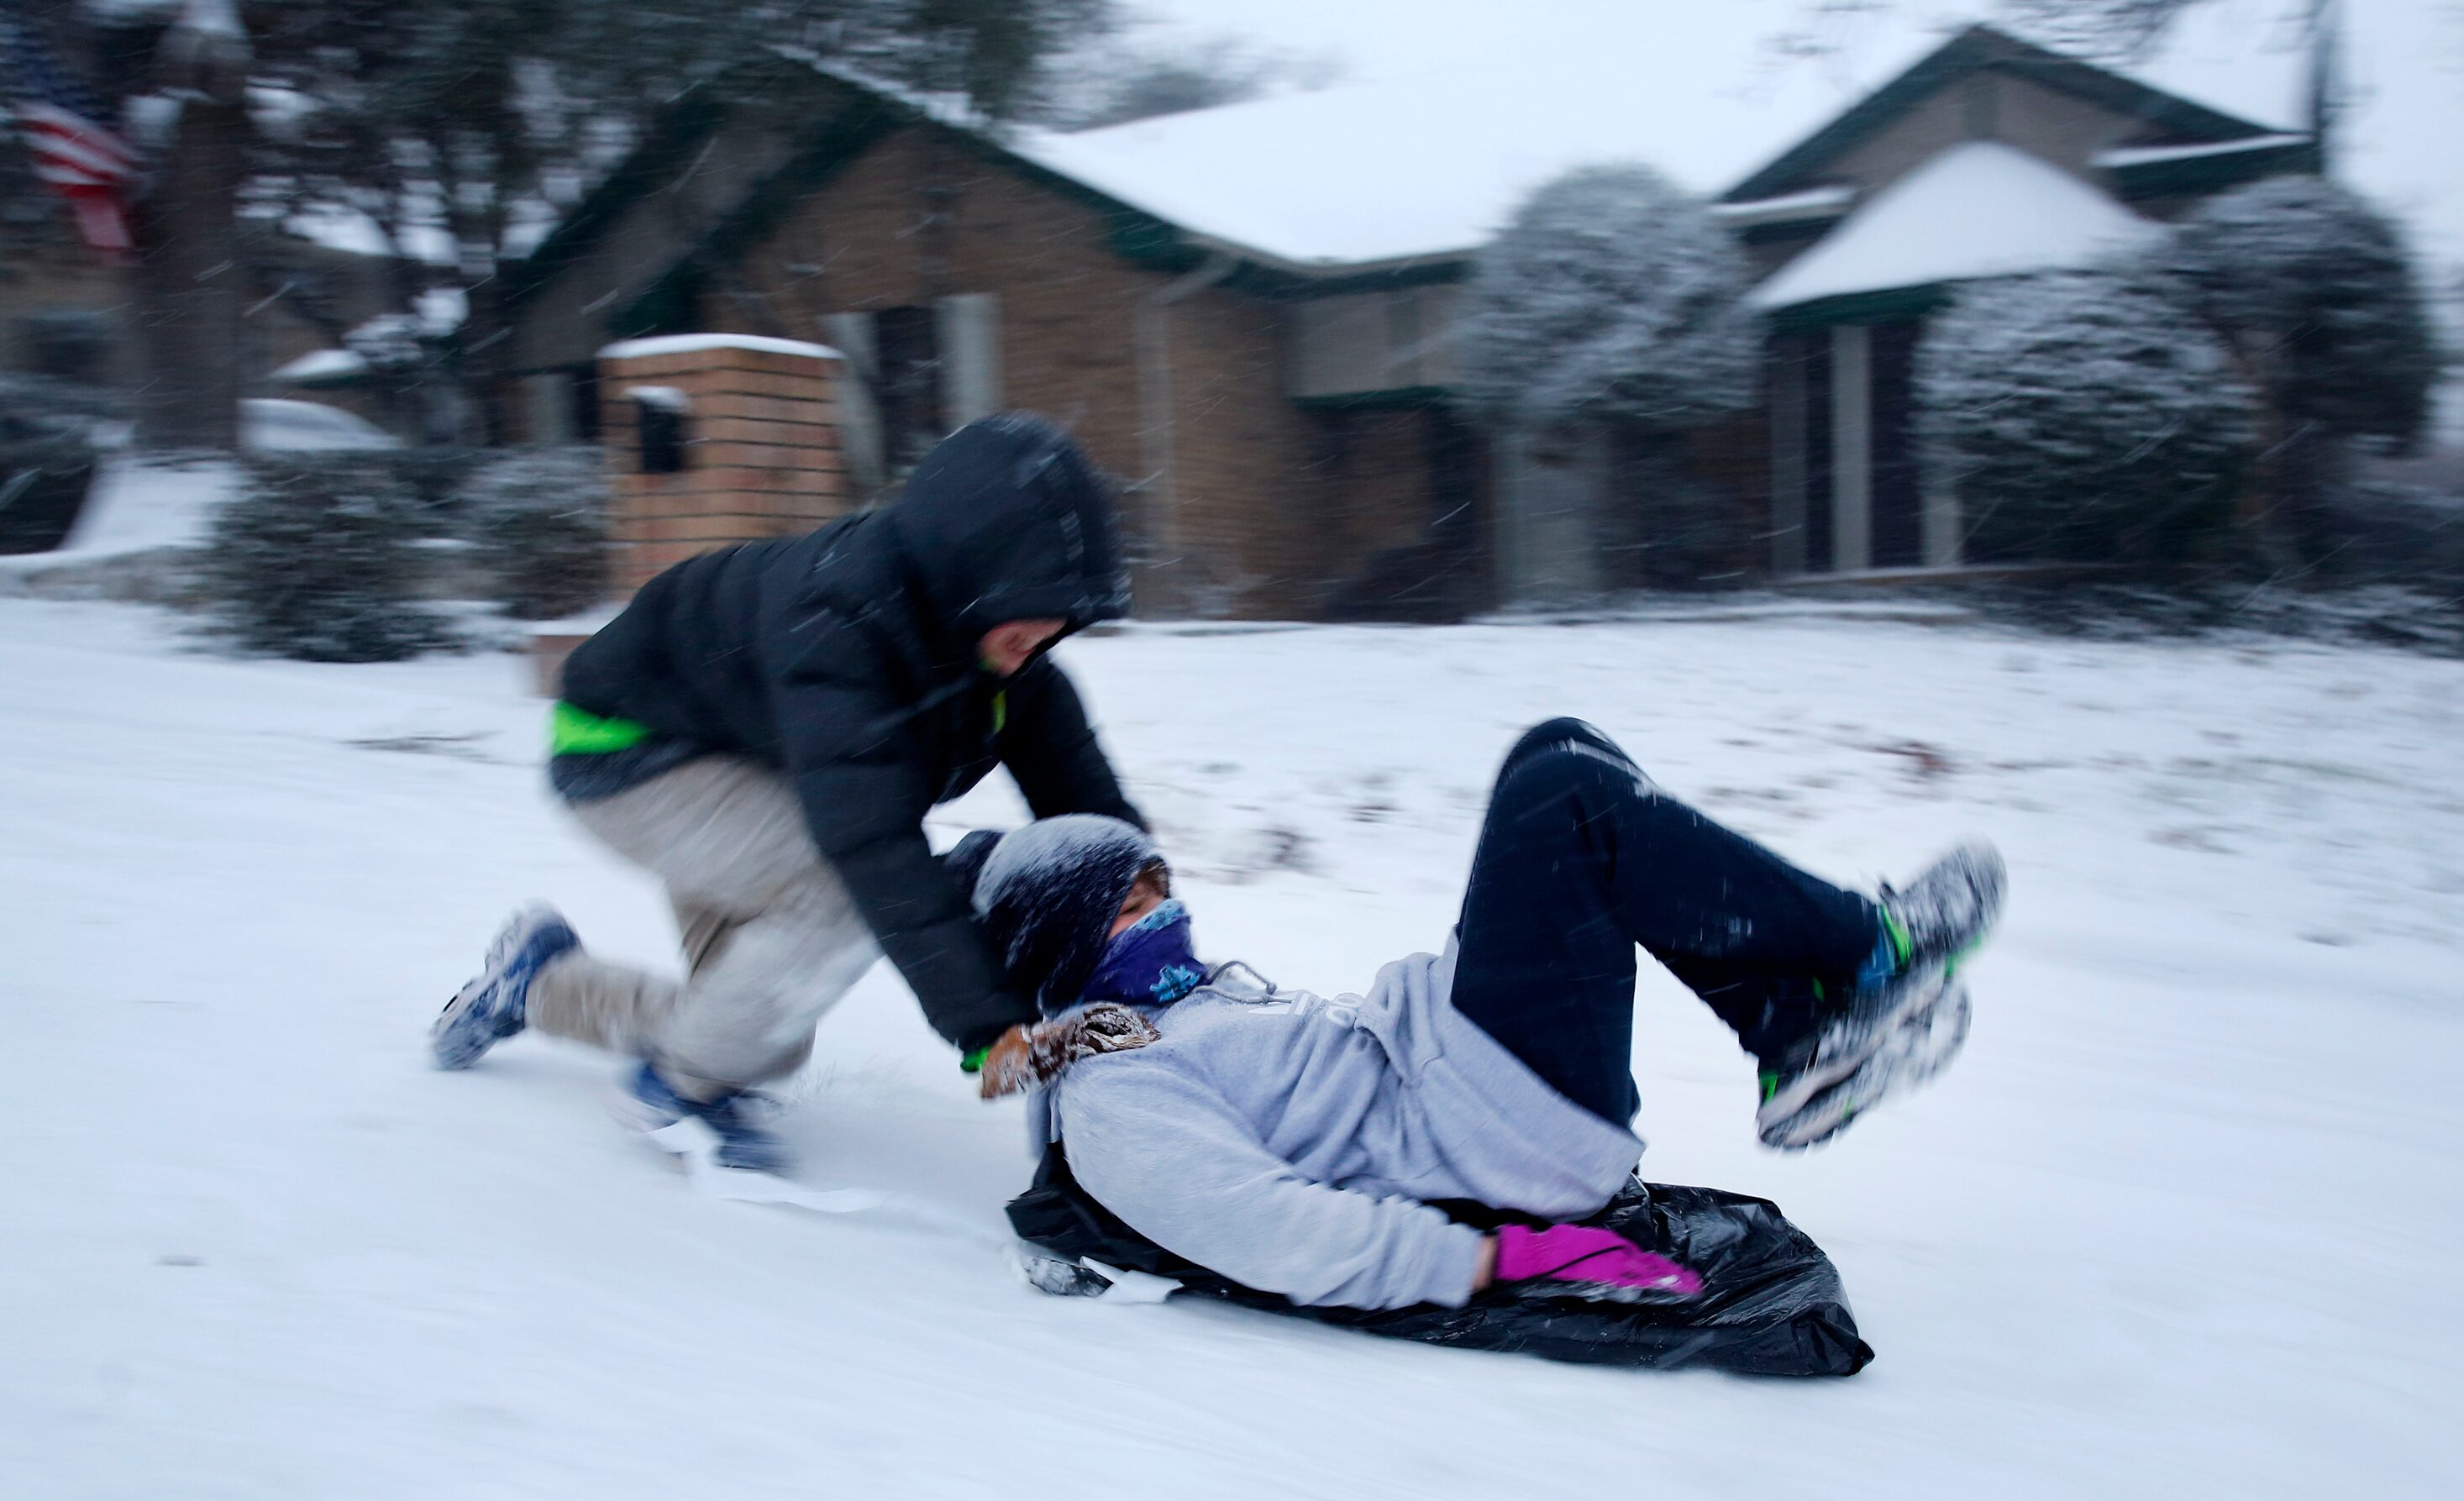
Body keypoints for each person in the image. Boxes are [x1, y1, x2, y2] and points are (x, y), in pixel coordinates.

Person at [955, 717, 2005, 1313]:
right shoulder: (1116, 1089)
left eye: (1156, 885)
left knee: (1559, 751)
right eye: (1127, 905)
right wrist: (1500, 1259)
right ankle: (1866, 951)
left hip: (1466, 1069)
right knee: (1559, 798)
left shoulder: (1176, 998)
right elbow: (1265, 1232)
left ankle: (1798, 1037)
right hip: (1487, 1135)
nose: (1164, 911)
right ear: (1065, 948)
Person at [429, 413, 1146, 1171]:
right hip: (629, 750)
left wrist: (1151, 947)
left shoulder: (1005, 658)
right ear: (963, 565)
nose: (1054, 623)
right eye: (1034, 595)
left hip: (751, 752)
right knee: (831, 907)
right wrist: (990, 1030)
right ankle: (672, 1094)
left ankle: (539, 982)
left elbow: (1097, 826)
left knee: (754, 1039)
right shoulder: (840, 623)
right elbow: (874, 850)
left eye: (1065, 603)